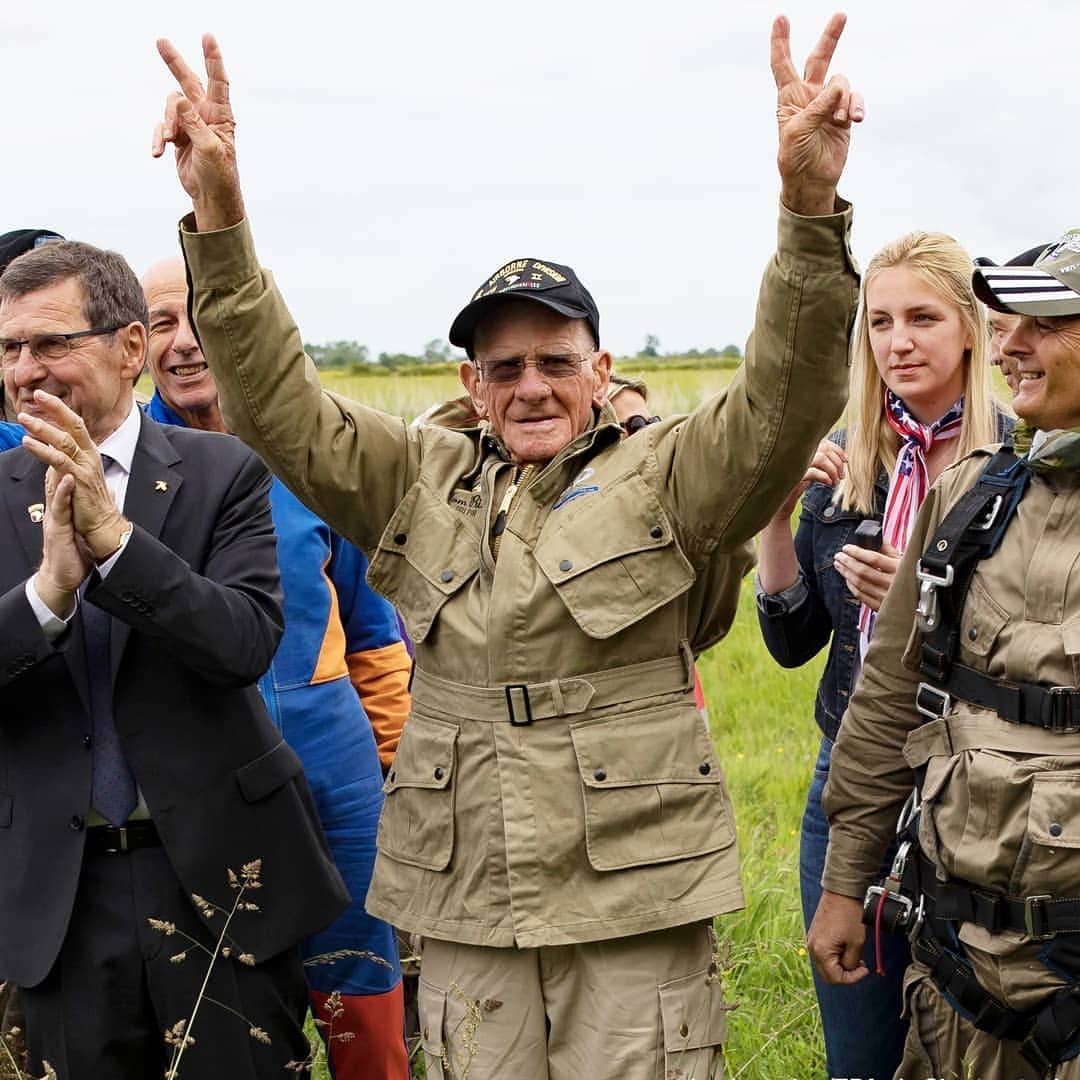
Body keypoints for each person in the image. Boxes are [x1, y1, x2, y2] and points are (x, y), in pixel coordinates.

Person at [154, 16, 863, 1079]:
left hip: (630, 895)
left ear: (599, 365)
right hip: (467, 887)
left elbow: (788, 392)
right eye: (504, 367)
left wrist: (807, 208)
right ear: (472, 385)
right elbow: (276, 405)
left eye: (553, 360)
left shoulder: (677, 474)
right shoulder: (415, 478)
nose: (530, 384)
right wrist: (220, 214)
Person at [0, 239, 348, 1078]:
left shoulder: (222, 471)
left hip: (220, 876)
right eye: (9, 348)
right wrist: (48, 590)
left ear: (128, 349)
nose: (24, 370)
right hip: (59, 896)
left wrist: (117, 546)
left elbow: (243, 641)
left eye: (52, 344)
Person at [807, 229, 1080, 1078]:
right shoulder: (971, 497)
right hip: (961, 975)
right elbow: (892, 693)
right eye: (1004, 321)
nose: (1012, 345)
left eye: (1044, 322)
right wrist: (846, 881)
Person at [141, 255, 414, 1079]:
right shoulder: (117, 470)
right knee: (224, 1023)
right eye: (161, 323)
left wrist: (396, 769)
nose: (185, 343)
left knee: (361, 1001)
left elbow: (373, 635)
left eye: (202, 316)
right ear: (129, 345)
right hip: (191, 789)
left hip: (335, 778)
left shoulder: (314, 457)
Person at [756, 230, 1010, 1077]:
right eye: (880, 321)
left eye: (923, 318)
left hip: (976, 784)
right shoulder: (851, 460)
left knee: (972, 1044)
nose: (897, 341)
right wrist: (775, 516)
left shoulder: (1016, 460)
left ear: (971, 329)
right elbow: (793, 643)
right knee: (860, 1047)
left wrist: (916, 596)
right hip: (852, 775)